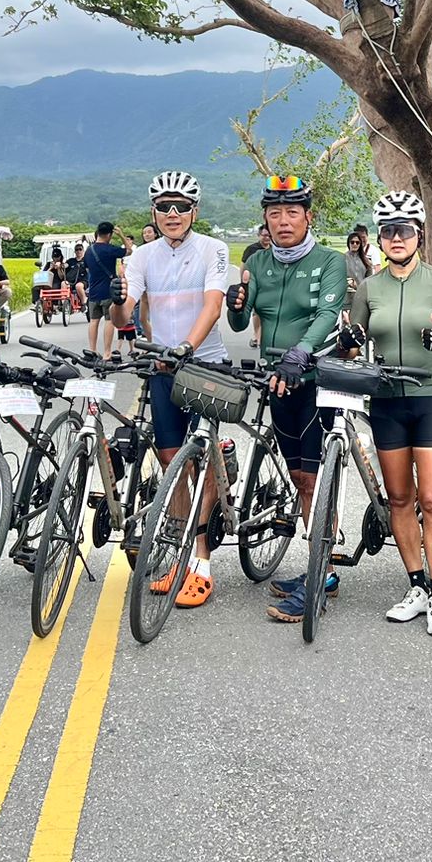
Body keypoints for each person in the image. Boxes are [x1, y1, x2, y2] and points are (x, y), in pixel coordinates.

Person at [342, 191, 432, 637]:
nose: (396, 237)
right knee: (399, 498)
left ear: (419, 235)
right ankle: (416, 586)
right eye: (388, 230)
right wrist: (349, 340)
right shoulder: (369, 287)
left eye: (405, 230)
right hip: (386, 399)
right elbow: (354, 343)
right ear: (379, 238)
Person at [226, 174, 348, 623]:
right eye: (274, 214)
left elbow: (326, 314)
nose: (282, 221)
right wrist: (235, 304)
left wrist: (301, 353)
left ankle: (323, 572)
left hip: (316, 379)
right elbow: (240, 326)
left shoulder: (330, 260)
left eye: (291, 212)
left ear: (307, 217)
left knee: (317, 480)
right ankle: (323, 563)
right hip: (277, 381)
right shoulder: (258, 264)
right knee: (299, 479)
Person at [124, 173, 232, 608]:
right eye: (164, 206)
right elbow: (122, 315)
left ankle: (202, 563)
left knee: (200, 459)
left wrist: (189, 344)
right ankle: (182, 557)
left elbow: (213, 303)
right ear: (153, 212)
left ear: (195, 211)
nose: (173, 214)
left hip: (204, 363)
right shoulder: (142, 256)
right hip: (163, 365)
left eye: (182, 206)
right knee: (172, 462)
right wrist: (118, 301)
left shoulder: (213, 249)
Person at [82, 221, 129, 359]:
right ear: (109, 234)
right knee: (109, 321)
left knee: (94, 321)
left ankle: (92, 350)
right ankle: (107, 352)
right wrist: (121, 236)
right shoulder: (110, 249)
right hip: (108, 291)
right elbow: (129, 250)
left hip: (94, 291)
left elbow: (87, 268)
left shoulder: (89, 251)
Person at [344, 226, 374, 293]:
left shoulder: (366, 261)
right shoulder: (342, 259)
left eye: (357, 242)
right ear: (348, 243)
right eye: (352, 242)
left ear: (360, 244)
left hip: (361, 294)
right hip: (346, 295)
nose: (355, 244)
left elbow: (369, 280)